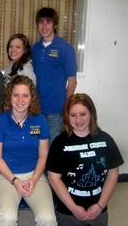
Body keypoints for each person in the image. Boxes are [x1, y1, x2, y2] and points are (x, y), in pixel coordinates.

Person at [46, 93, 124, 226]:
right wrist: (73, 208)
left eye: (83, 114)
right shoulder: (60, 143)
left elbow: (112, 175)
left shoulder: (106, 140)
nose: (78, 120)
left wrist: (100, 205)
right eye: (73, 115)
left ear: (91, 114)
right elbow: (54, 179)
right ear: (66, 116)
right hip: (68, 211)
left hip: (98, 210)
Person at [0, 75, 57, 226]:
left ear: (31, 98)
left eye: (25, 96)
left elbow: (43, 155)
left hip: (35, 176)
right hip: (6, 176)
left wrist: (33, 180)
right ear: (10, 97)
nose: (20, 100)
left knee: (47, 219)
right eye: (16, 95)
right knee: (7, 218)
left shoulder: (40, 121)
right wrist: (14, 181)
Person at [32, 7, 77, 142]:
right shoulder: (35, 48)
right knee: (36, 149)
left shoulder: (65, 48)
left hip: (56, 112)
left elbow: (72, 82)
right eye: (41, 22)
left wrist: (66, 109)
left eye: (48, 22)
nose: (44, 26)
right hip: (36, 110)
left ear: (55, 25)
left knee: (52, 152)